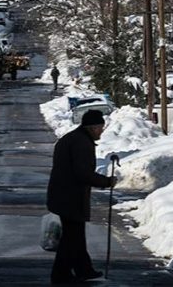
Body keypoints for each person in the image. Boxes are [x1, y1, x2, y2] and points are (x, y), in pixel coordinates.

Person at [46, 109, 115, 284]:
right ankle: (61, 274)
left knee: (74, 236)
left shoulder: (74, 138)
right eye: (100, 127)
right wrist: (106, 181)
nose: (102, 130)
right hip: (70, 196)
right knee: (71, 238)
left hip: (64, 195)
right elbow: (82, 173)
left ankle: (83, 270)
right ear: (92, 127)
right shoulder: (82, 143)